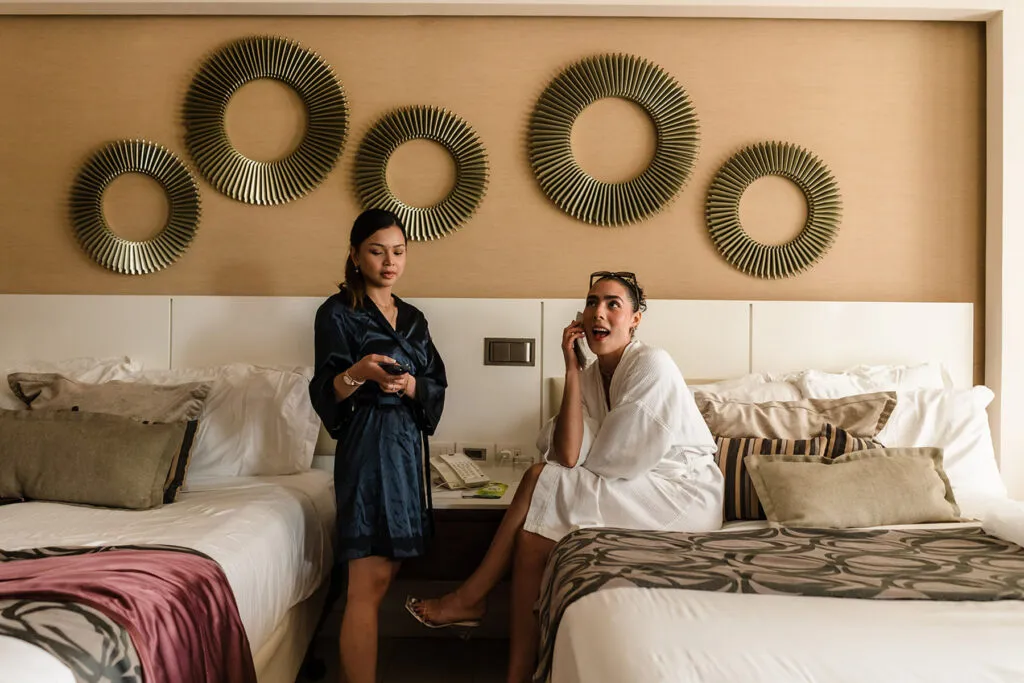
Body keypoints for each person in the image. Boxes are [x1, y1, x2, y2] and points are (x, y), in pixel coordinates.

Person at [407, 271, 724, 683]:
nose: (599, 312)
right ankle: (517, 671)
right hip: (631, 486)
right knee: (531, 537)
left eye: (613, 304)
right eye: (592, 302)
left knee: (541, 477)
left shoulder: (652, 364)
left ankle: (471, 597)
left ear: (635, 319)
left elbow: (612, 461)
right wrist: (572, 369)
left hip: (681, 496)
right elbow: (571, 453)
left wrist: (569, 467)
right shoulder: (591, 377)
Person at [309, 208, 447, 683]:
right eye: (377, 251)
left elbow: (435, 383)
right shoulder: (336, 313)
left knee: (384, 575)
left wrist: (408, 385)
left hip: (405, 448)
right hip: (367, 446)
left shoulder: (414, 319)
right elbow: (325, 392)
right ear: (354, 255)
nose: (390, 262)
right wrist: (360, 372)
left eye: (398, 252)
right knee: (365, 584)